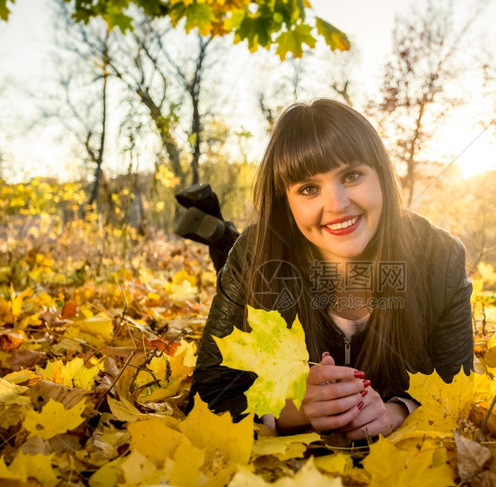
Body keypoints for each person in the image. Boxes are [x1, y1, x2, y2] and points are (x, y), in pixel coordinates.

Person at [185, 99, 473, 440]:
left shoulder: (439, 258)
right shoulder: (253, 255)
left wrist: (397, 411)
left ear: (380, 175)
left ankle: (220, 230)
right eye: (308, 188)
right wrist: (289, 409)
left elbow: (459, 389)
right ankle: (222, 236)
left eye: (352, 176)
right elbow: (207, 396)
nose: (336, 205)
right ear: (285, 201)